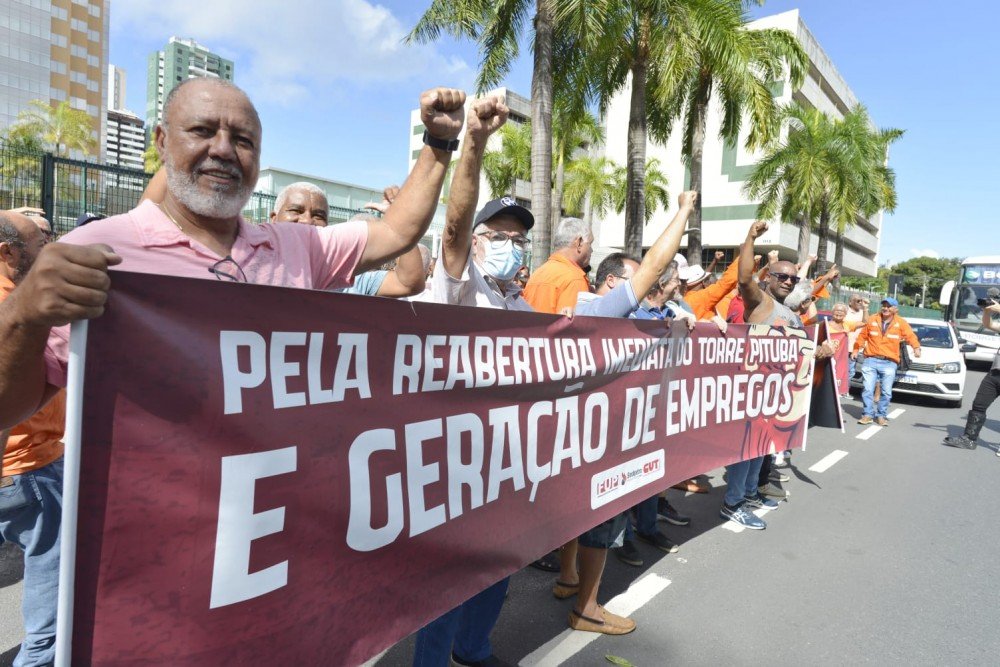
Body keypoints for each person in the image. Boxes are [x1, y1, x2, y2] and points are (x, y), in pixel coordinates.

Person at [0, 75, 466, 436]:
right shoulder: (97, 249)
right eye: (202, 131)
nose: (223, 150)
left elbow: (396, 230)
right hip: (151, 524)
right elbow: (8, 409)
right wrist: (24, 315)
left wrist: (440, 144)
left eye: (243, 140)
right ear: (162, 141)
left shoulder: (298, 247)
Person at [412, 94, 517, 667]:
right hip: (454, 465)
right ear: (477, 242)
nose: (510, 247)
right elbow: (452, 225)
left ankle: (472, 652)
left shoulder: (519, 302)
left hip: (505, 463)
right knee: (448, 583)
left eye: (518, 240)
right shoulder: (458, 281)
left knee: (497, 569)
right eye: (498, 236)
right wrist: (472, 140)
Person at [0, 210, 64, 667]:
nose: (47, 250)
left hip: (22, 467)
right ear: (7, 252)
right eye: (38, 244)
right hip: (28, 468)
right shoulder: (19, 310)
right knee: (52, 592)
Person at [851, 297, 922, 426]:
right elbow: (862, 336)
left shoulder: (901, 323)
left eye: (889, 306)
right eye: (884, 306)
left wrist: (916, 348)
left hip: (889, 362)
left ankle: (881, 415)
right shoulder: (872, 319)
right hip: (870, 359)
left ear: (895, 309)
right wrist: (856, 350)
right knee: (867, 389)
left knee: (886, 392)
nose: (885, 308)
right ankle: (867, 414)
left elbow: (910, 336)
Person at [943, 294, 1000, 450]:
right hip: (995, 374)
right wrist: (987, 310)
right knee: (979, 405)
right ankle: (969, 439)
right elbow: (988, 324)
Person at [522, 216, 593, 313]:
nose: (591, 250)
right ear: (579, 243)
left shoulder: (538, 273)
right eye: (590, 244)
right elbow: (571, 321)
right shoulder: (574, 279)